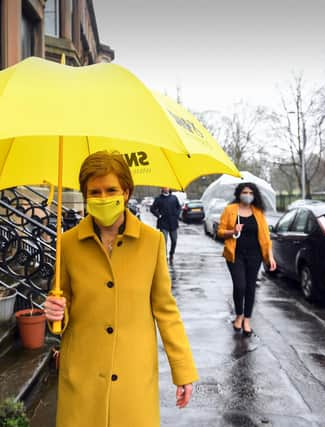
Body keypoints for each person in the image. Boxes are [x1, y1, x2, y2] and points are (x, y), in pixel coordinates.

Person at [44, 151, 198, 427]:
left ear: (126, 192)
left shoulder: (152, 242)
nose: (103, 198)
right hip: (82, 377)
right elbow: (63, 306)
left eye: (111, 190)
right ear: (85, 195)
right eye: (95, 192)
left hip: (134, 378)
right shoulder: (67, 244)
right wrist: (55, 312)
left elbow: (165, 309)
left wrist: (182, 369)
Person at [217, 182, 277, 337]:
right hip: (235, 254)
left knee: (250, 287)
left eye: (251, 193)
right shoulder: (230, 210)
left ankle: (247, 319)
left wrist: (270, 257)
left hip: (255, 255)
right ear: (239, 193)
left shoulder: (258, 212)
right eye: (245, 192)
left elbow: (265, 237)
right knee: (240, 286)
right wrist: (233, 231)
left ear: (254, 195)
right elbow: (220, 232)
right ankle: (239, 315)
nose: (248, 195)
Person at [150, 187, 181, 265]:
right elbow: (152, 209)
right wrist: (158, 215)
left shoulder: (174, 198)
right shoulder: (158, 199)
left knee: (174, 240)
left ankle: (171, 254)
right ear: (162, 189)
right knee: (164, 241)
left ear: (169, 188)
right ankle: (165, 256)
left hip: (173, 223)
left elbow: (179, 207)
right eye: (164, 187)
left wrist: (176, 215)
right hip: (163, 223)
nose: (166, 188)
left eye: (167, 187)